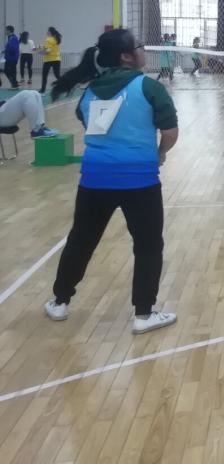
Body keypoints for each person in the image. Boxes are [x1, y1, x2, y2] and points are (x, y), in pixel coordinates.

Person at [45, 29, 179, 335]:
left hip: (95, 179)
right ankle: (143, 314)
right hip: (140, 181)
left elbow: (88, 122)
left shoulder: (89, 92)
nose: (144, 50)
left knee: (80, 240)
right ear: (126, 56)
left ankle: (60, 302)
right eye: (139, 46)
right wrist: (159, 153)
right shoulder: (149, 87)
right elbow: (170, 133)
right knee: (148, 246)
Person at [38, 26, 62, 93]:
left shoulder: (48, 39)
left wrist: (40, 52)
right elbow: (49, 48)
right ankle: (65, 85)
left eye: (47, 31)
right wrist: (42, 47)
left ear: (49, 32)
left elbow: (48, 51)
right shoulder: (56, 39)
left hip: (49, 60)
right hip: (57, 59)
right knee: (57, 75)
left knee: (44, 75)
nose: (46, 32)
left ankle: (43, 89)